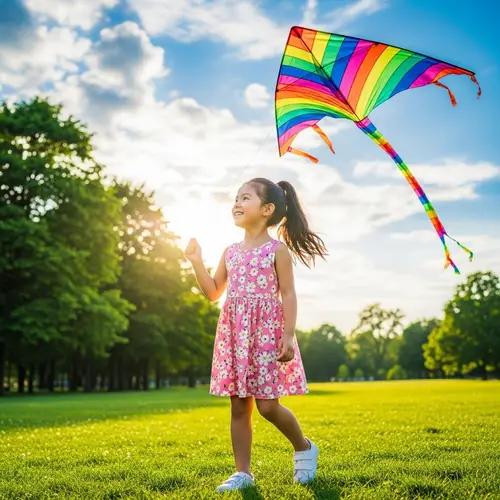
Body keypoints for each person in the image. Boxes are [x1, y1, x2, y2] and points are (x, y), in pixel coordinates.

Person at [184, 177, 327, 492]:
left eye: (245, 198)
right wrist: (196, 262)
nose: (236, 203)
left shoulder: (277, 250)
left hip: (266, 334)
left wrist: (288, 336)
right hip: (235, 333)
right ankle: (243, 473)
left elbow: (288, 294)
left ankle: (304, 447)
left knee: (267, 406)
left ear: (267, 209)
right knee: (238, 405)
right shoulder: (230, 252)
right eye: (236, 198)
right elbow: (213, 292)